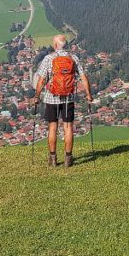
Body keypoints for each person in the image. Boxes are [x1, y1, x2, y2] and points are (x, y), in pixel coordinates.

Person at [32, 34, 92, 167]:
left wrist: (36, 96)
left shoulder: (48, 58)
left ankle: (53, 159)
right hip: (68, 98)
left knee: (52, 127)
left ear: (55, 45)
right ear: (66, 45)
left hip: (51, 97)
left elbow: (41, 80)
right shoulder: (73, 58)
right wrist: (88, 94)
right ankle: (68, 159)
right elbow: (83, 77)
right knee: (68, 126)